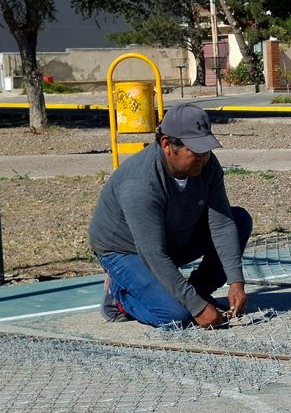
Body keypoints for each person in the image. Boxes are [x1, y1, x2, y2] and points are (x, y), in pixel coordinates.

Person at [89, 103, 253, 329]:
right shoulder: (139, 183)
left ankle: (199, 290)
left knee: (239, 220)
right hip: (127, 251)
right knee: (178, 317)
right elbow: (153, 253)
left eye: (206, 149)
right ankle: (119, 297)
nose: (204, 158)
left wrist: (236, 280)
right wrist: (195, 307)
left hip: (171, 237)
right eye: (196, 151)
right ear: (167, 144)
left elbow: (222, 223)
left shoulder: (207, 165)